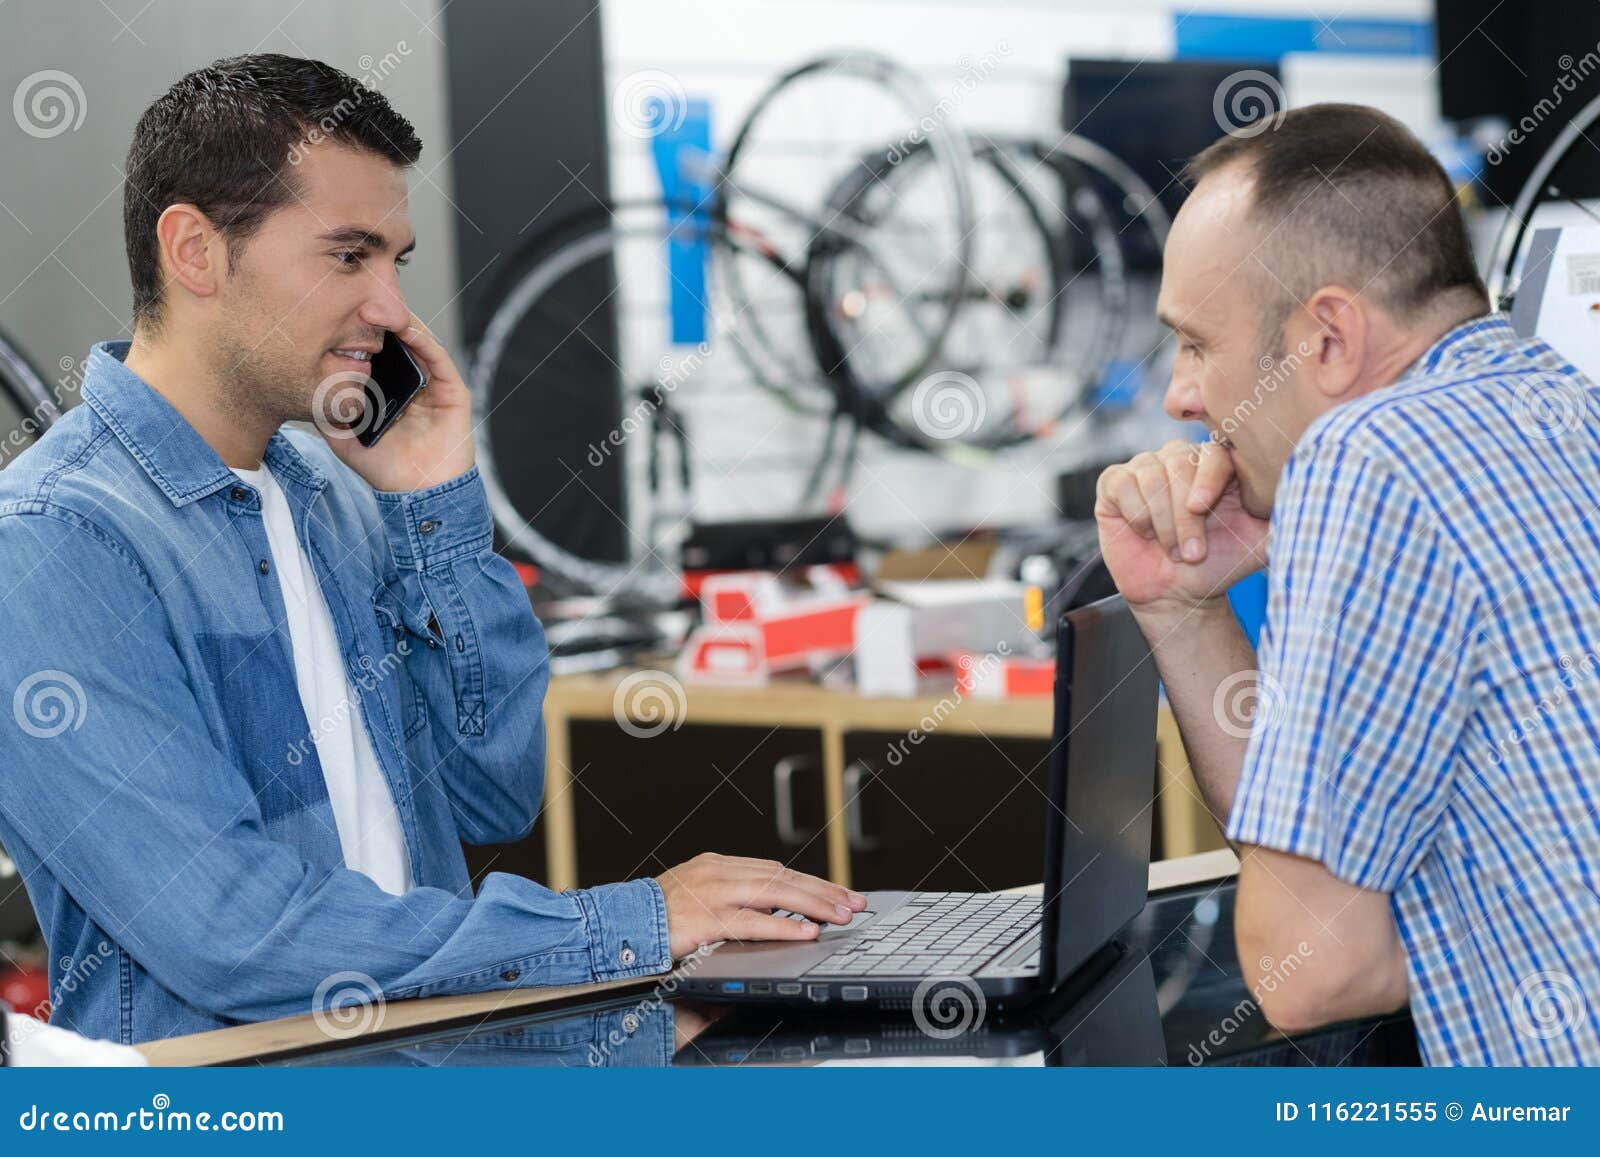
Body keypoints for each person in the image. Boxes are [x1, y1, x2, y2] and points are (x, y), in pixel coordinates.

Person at [0, 53, 863, 1046]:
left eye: (395, 260)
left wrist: (437, 503)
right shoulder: (53, 544)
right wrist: (638, 921)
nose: (390, 309)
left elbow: (489, 788)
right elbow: (233, 930)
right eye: (348, 255)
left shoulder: (331, 489)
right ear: (196, 250)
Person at [1095, 103, 1600, 1064]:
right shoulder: (1560, 400)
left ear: (1326, 337)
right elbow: (1328, 910)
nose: (1178, 395)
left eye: (1197, 342)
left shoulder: (1364, 454)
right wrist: (1184, 604)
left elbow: (1309, 971)